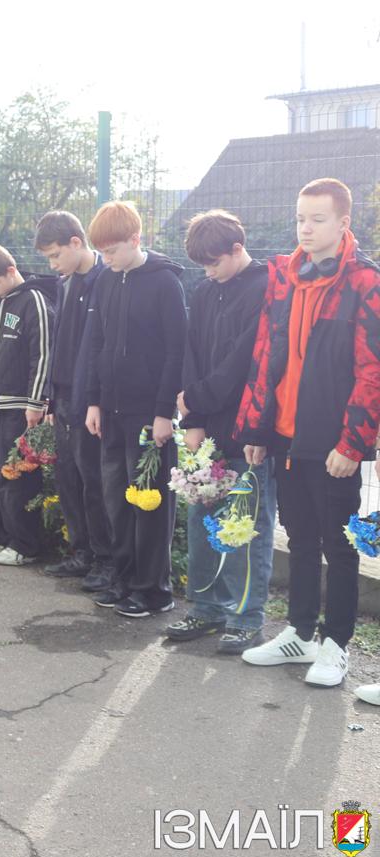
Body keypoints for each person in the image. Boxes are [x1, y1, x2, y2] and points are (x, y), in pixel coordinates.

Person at [237, 179, 380, 687]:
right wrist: (255, 426)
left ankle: (336, 644)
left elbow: (372, 370)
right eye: (301, 217)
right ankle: (299, 633)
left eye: (318, 219)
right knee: (298, 538)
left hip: (334, 443)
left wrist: (353, 442)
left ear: (344, 224)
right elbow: (265, 355)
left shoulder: (365, 282)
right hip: (283, 435)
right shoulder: (282, 276)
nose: (306, 228)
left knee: (338, 546)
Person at [163, 210, 274, 654]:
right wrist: (191, 419)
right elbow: (191, 354)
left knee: (245, 528)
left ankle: (246, 618)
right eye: (202, 267)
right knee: (202, 519)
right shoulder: (206, 291)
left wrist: (198, 399)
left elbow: (244, 360)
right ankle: (206, 608)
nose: (208, 273)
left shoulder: (265, 289)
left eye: (214, 263)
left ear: (236, 248)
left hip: (247, 430)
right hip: (206, 430)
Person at [84, 201, 187, 618]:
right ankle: (124, 579)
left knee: (150, 502)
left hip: (149, 415)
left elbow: (177, 352)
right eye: (102, 253)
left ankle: (153, 590)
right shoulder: (106, 282)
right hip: (110, 412)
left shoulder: (165, 283)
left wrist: (165, 411)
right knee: (116, 499)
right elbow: (96, 344)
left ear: (135, 240)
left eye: (112, 251)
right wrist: (93, 399)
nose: (106, 260)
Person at [34, 211, 112, 591]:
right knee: (68, 479)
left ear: (76, 243)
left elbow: (98, 348)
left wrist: (91, 398)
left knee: (93, 482)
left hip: (88, 401)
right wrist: (50, 397)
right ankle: (80, 551)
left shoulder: (104, 280)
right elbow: (59, 344)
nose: (52, 265)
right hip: (62, 397)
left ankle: (104, 558)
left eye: (54, 255)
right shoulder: (65, 283)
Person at [0, 245, 56, 566]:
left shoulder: (34, 301)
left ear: (11, 270)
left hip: (22, 408)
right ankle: (1, 534)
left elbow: (43, 355)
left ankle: (25, 544)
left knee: (16, 476)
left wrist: (36, 402)